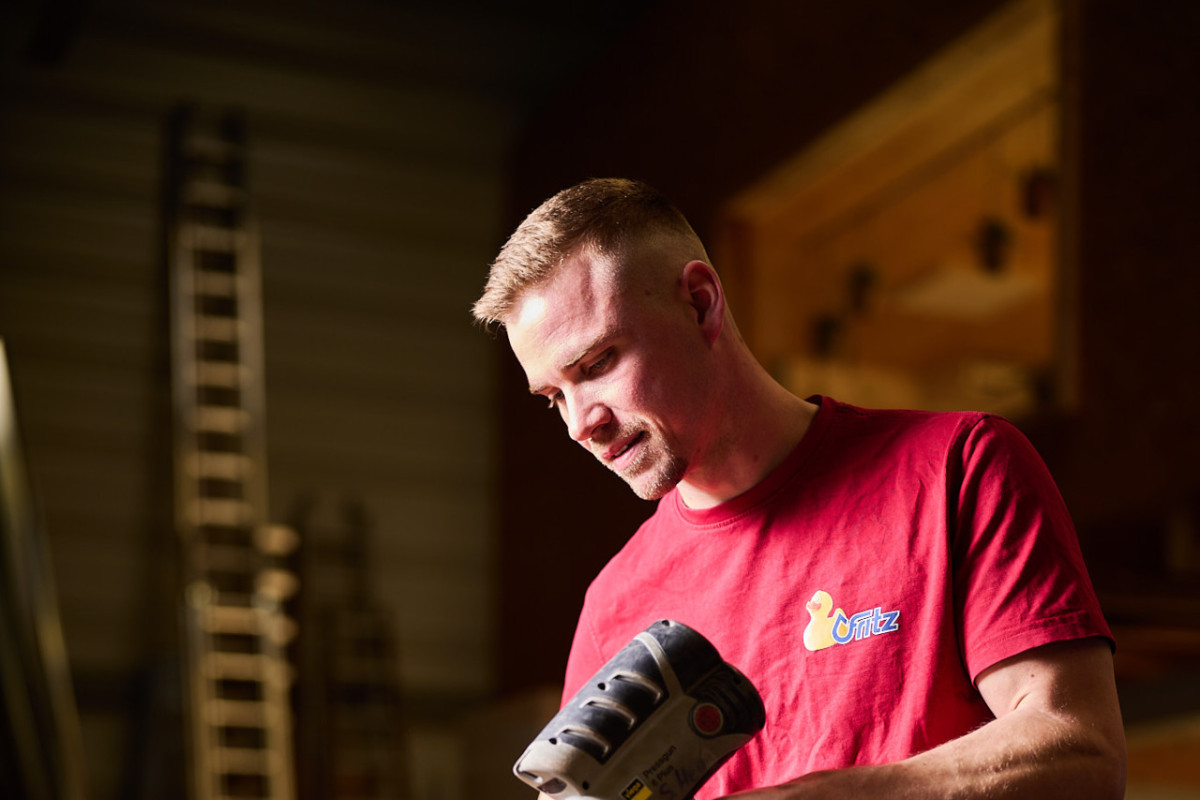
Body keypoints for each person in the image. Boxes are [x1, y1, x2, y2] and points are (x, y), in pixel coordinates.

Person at [473, 178, 1126, 799]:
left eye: (599, 363)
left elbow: (1078, 750)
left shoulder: (958, 467)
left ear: (700, 303)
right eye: (554, 395)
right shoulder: (614, 605)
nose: (580, 423)